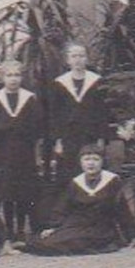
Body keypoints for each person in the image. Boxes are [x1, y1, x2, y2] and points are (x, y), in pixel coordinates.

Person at [24, 144, 135, 256]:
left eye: (95, 159)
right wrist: (53, 227)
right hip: (77, 224)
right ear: (81, 163)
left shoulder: (112, 181)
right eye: (86, 159)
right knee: (41, 241)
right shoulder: (76, 182)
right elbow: (63, 207)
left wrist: (133, 236)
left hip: (100, 227)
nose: (91, 163)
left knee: (67, 242)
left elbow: (122, 209)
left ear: (102, 162)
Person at [0, 60, 44, 245]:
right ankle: (9, 229)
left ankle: (20, 229)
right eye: (9, 75)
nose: (13, 79)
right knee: (7, 191)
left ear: (22, 77)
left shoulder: (29, 99)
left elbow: (36, 131)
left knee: (22, 192)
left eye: (17, 75)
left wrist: (37, 156)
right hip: (3, 151)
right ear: (2, 78)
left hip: (24, 150)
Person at [47, 42, 108, 179]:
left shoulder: (97, 81)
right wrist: (57, 140)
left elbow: (102, 112)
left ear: (87, 58)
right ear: (67, 60)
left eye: (81, 55)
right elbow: (55, 114)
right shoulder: (59, 83)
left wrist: (101, 138)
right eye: (74, 56)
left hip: (90, 135)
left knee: (92, 170)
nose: (78, 59)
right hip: (69, 136)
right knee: (69, 172)